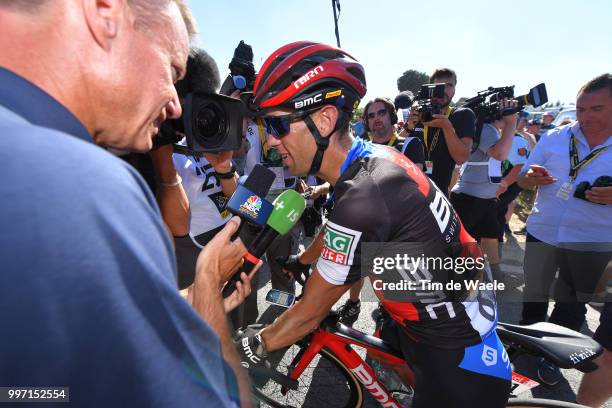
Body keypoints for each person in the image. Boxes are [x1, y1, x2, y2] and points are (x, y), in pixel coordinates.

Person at [0, 1, 255, 406]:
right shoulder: (84, 185)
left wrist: (180, 301)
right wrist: (205, 286)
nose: (175, 106)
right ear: (104, 12)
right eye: (172, 71)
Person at [235, 41, 511, 408]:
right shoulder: (372, 161)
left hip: (454, 351)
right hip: (428, 317)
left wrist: (256, 344)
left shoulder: (366, 195)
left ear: (324, 121)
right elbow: (340, 228)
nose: (269, 139)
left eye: (277, 124)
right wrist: (302, 262)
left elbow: (310, 312)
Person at [517, 73, 612, 386]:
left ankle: (550, 359)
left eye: (595, 109)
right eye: (581, 108)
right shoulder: (556, 137)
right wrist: (530, 177)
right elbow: (522, 177)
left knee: (570, 307)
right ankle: (525, 346)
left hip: (590, 243)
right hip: (542, 232)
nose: (585, 116)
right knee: (534, 296)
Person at [405, 68, 476, 195]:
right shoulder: (420, 112)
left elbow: (461, 158)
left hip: (438, 195)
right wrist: (409, 126)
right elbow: (396, 146)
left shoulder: (462, 115)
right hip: (410, 190)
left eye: (449, 85)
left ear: (454, 90)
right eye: (439, 86)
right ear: (430, 88)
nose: (443, 90)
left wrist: (446, 127)